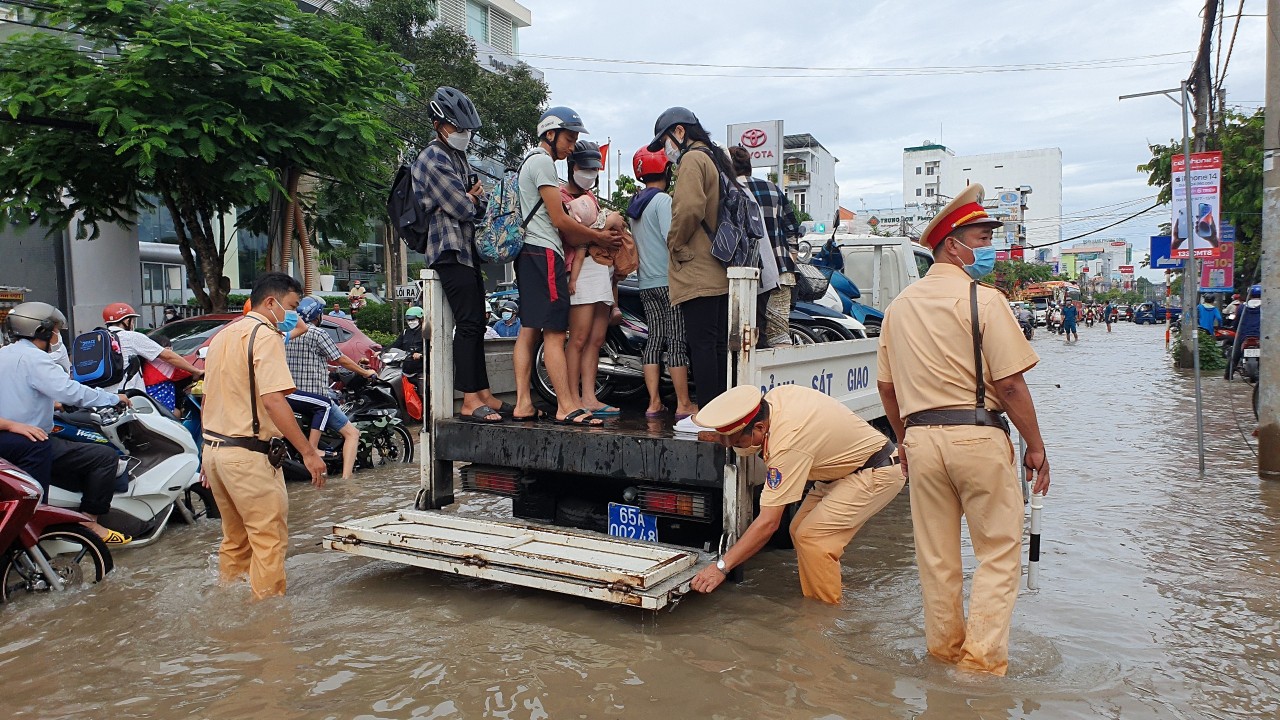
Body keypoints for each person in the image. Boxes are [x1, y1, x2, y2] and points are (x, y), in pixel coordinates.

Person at [876, 183, 1050, 676]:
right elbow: (1011, 386)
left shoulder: (897, 309)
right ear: (952, 245)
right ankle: (979, 666)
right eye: (980, 236)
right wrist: (1036, 447)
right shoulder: (986, 301)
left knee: (936, 560)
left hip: (921, 440)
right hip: (977, 435)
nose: (988, 247)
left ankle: (944, 654)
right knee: (998, 553)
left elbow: (888, 390)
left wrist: (905, 443)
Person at [689, 385, 905, 603]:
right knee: (797, 529)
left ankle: (825, 619)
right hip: (841, 471)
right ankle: (829, 594)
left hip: (876, 470)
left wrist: (721, 567)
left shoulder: (787, 444)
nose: (735, 447)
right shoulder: (773, 401)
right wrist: (726, 438)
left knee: (814, 539)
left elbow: (768, 523)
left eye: (737, 442)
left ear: (760, 428)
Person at [200, 272, 326, 599]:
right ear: (271, 302)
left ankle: (230, 605)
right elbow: (273, 400)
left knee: (235, 540)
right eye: (292, 306)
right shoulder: (265, 334)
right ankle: (267, 627)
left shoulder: (222, 337)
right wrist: (309, 452)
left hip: (215, 454)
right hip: (249, 457)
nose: (293, 314)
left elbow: (207, 397)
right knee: (269, 542)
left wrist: (207, 452)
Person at [511, 106, 620, 426]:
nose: (571, 146)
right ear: (550, 134)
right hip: (545, 252)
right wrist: (598, 236)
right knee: (556, 334)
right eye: (569, 138)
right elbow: (560, 220)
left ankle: (522, 404)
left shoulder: (526, 161)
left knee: (529, 331)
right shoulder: (543, 162)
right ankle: (566, 405)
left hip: (528, 253)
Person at [411, 86, 510, 424]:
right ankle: (468, 400)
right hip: (448, 248)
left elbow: (478, 204)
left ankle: (483, 393)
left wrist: (471, 198)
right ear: (440, 124)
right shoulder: (432, 157)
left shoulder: (457, 157)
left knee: (477, 323)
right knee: (467, 324)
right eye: (458, 129)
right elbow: (461, 206)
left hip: (467, 251)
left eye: (467, 130)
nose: (464, 135)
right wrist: (469, 198)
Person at [0, 301, 133, 544]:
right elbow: (71, 391)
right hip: (28, 441)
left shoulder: (4, 354)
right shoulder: (35, 359)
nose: (56, 337)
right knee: (104, 456)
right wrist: (113, 398)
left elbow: (24, 392)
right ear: (42, 331)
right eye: (55, 331)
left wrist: (53, 403)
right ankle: (89, 521)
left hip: (8, 439)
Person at [647, 107, 730, 408]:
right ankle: (723, 413)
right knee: (717, 346)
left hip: (698, 269)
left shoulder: (693, 159)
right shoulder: (716, 159)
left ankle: (709, 415)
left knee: (702, 346)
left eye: (666, 140)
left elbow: (689, 208)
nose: (666, 149)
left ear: (680, 132)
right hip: (719, 266)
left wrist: (674, 242)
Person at [628, 146, 697, 420]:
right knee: (677, 340)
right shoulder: (663, 202)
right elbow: (674, 239)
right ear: (666, 170)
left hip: (646, 283)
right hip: (669, 282)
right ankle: (683, 404)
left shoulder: (635, 205)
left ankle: (654, 403)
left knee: (655, 339)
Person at [285, 297, 376, 480]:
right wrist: (365, 373)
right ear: (316, 315)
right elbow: (340, 358)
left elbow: (313, 362)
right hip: (316, 396)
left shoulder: (288, 332)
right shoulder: (318, 334)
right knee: (352, 433)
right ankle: (347, 480)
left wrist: (334, 372)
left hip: (291, 395)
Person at [564, 140, 622, 417]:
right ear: (572, 166)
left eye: (594, 169)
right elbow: (573, 235)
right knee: (578, 338)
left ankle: (589, 396)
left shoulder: (591, 197)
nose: (590, 173)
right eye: (586, 168)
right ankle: (572, 398)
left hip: (602, 269)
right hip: (581, 269)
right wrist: (600, 232)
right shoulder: (561, 196)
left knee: (597, 338)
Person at [730, 146, 803, 347]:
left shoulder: (729, 191)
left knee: (744, 337)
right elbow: (792, 228)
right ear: (749, 166)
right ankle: (783, 378)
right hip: (780, 271)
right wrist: (790, 258)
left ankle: (746, 378)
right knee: (778, 336)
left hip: (743, 273)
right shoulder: (771, 188)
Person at [102, 302, 203, 394]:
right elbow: (168, 356)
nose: (133, 324)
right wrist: (196, 371)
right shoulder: (131, 337)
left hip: (102, 394)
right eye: (132, 320)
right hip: (130, 394)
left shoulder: (99, 338)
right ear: (127, 321)